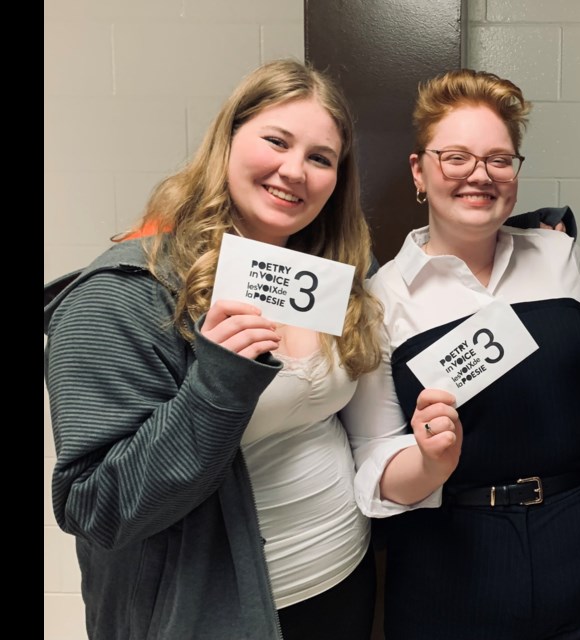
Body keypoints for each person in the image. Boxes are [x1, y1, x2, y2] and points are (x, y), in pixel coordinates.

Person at [43, 59, 384, 640]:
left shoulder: (332, 276)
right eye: (276, 141)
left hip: (342, 576)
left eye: (320, 158)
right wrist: (215, 386)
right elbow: (95, 507)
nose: (294, 170)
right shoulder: (122, 294)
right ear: (226, 141)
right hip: (215, 611)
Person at [340, 69, 580, 639]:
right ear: (420, 171)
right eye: (457, 158)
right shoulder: (381, 298)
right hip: (450, 560)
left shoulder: (561, 257)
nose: (480, 175)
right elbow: (371, 455)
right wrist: (428, 464)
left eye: (499, 159)